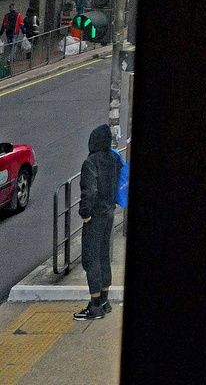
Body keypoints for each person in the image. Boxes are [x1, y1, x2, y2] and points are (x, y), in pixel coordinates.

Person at [73, 124, 123, 320]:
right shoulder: (113, 158)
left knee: (90, 258)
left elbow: (90, 191)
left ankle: (94, 307)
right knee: (103, 256)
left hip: (95, 216)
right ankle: (104, 300)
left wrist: (85, 214)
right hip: (109, 213)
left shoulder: (91, 162)